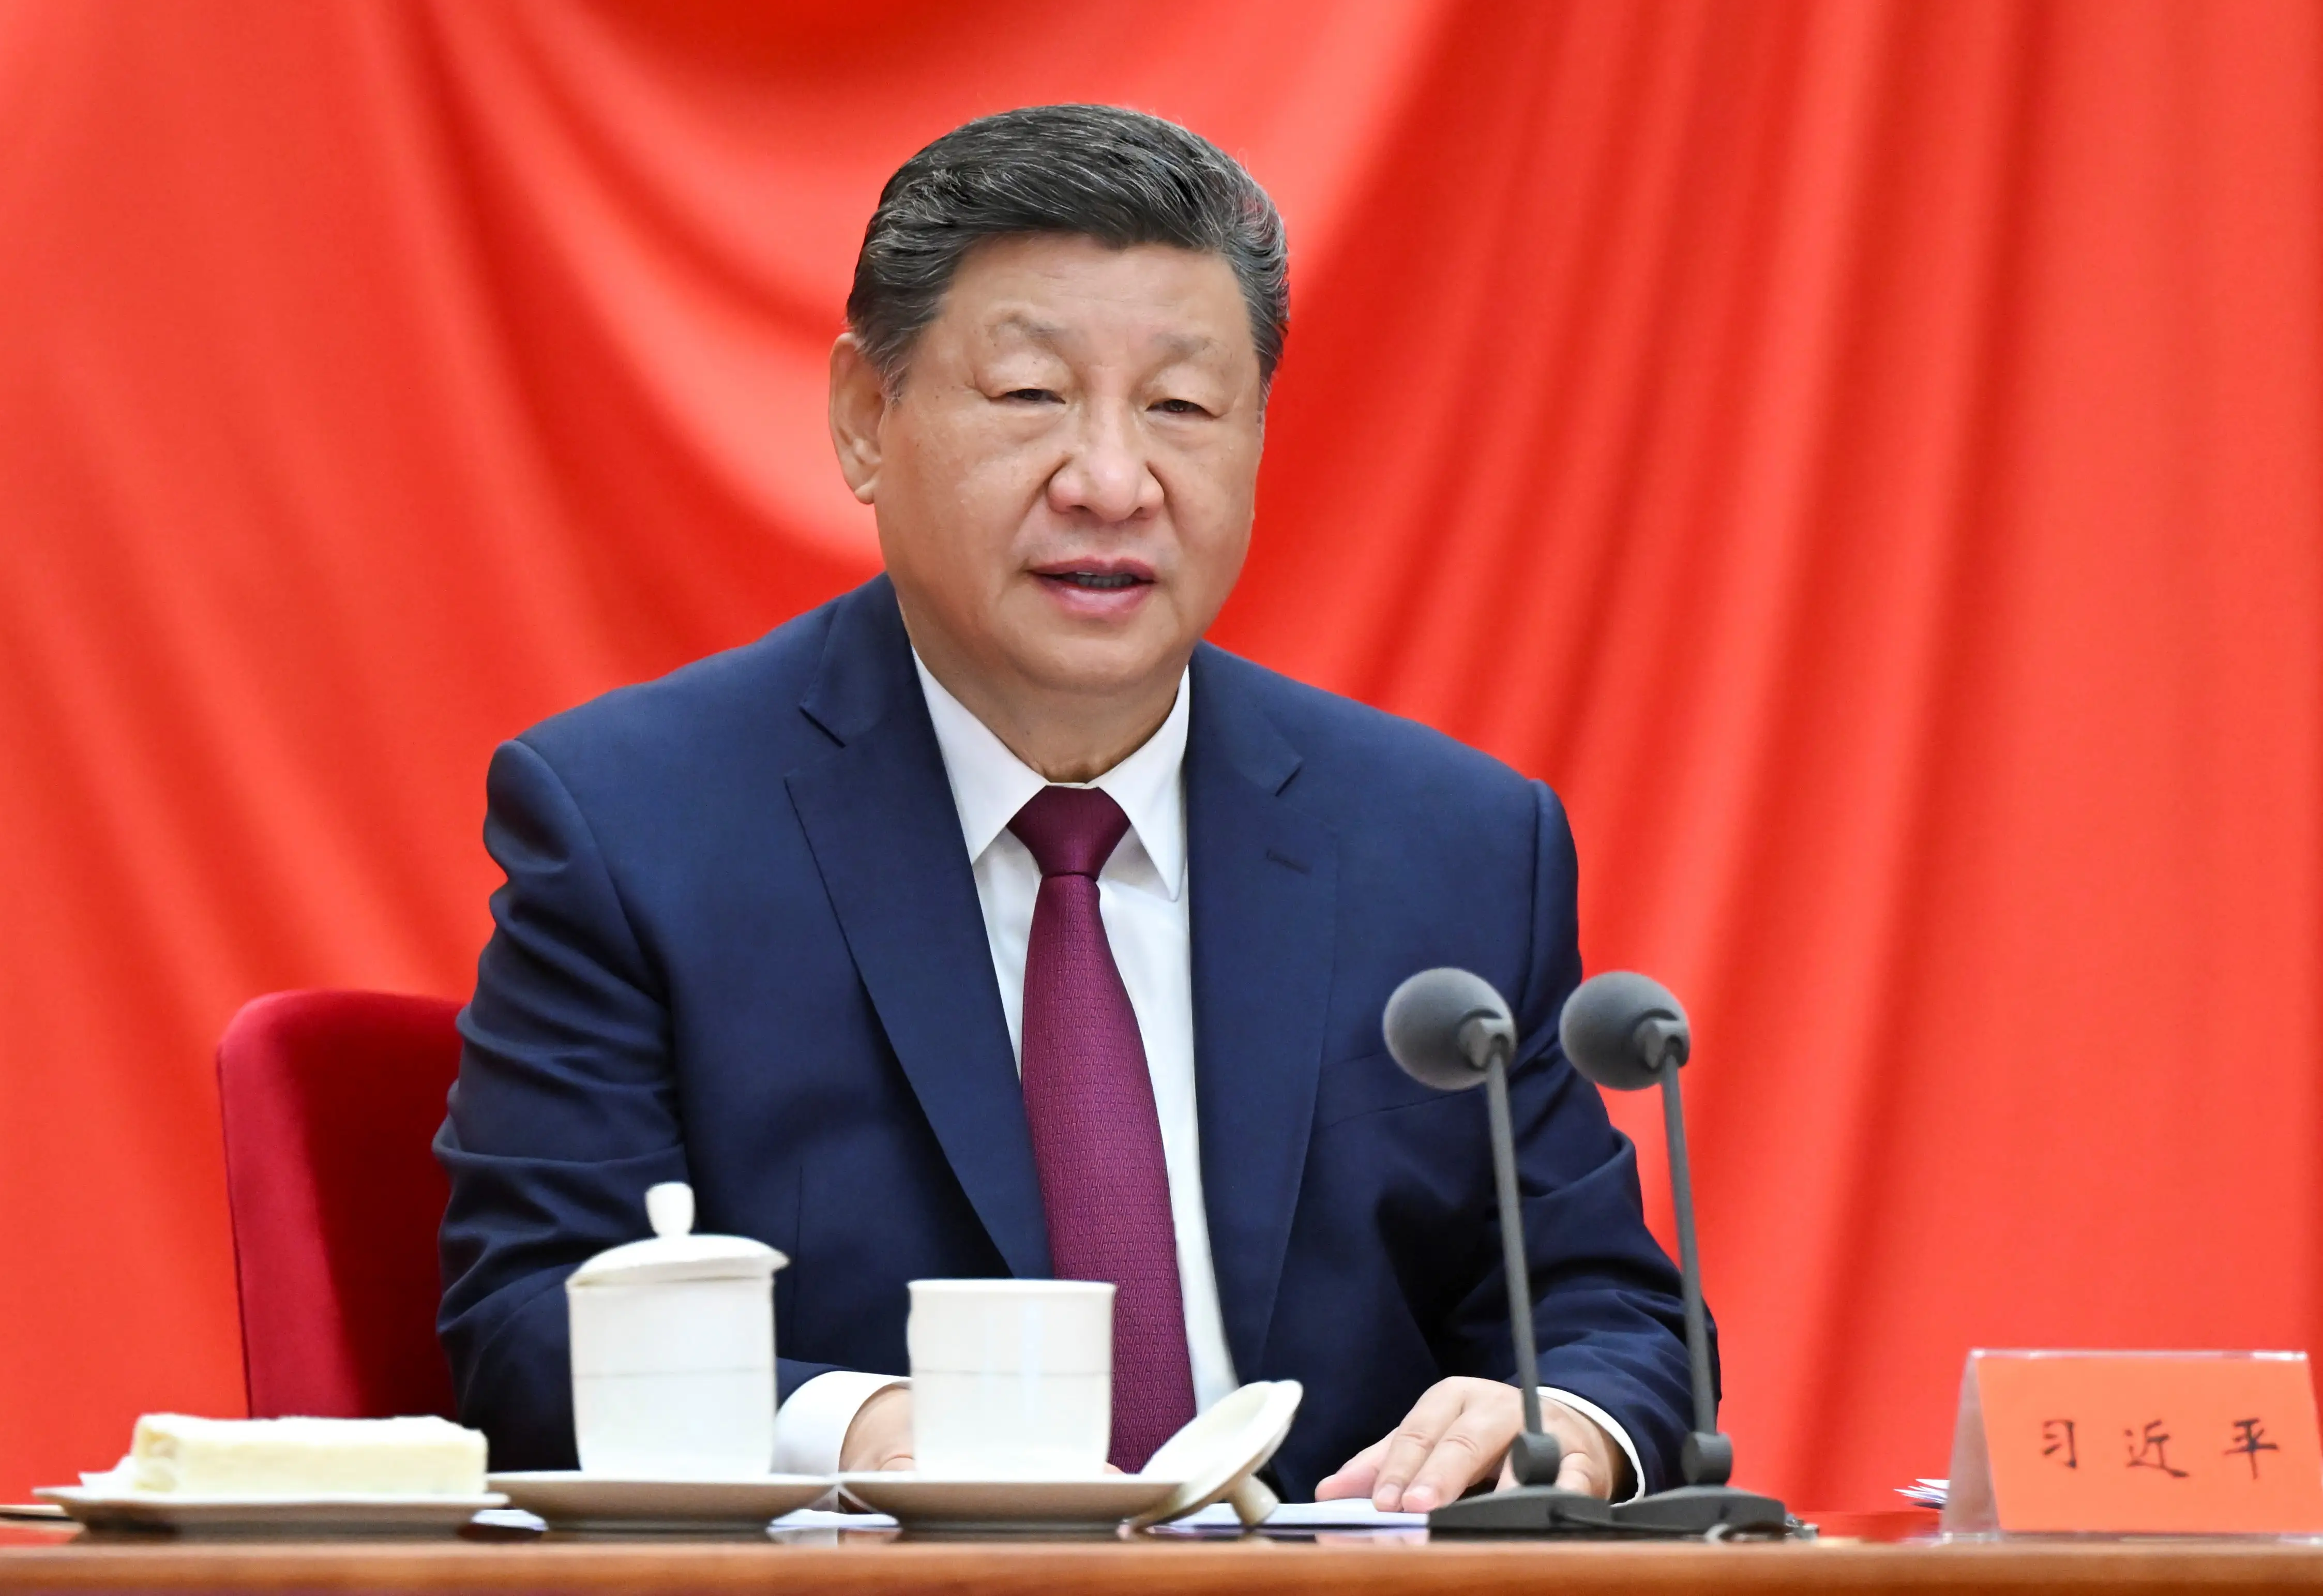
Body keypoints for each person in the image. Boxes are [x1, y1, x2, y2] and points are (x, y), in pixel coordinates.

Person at [436, 104, 1704, 1509]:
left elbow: (1610, 1316)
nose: (1111, 481)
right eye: (1031, 395)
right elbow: (533, 1316)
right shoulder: (636, 825)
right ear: (867, 417)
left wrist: (1566, 1419)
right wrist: (861, 1433)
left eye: (1179, 408)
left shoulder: (1451, 844)